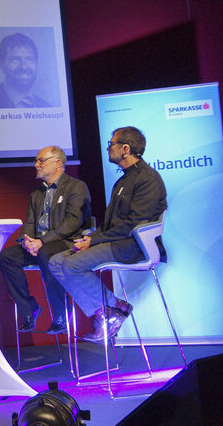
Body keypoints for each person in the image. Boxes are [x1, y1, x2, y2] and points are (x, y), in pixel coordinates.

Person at [49, 126, 167, 341]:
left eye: (111, 144)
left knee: (72, 265)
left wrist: (93, 240)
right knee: (56, 262)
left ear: (125, 149)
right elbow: (111, 223)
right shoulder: (123, 180)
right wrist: (89, 239)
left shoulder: (147, 179)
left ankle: (113, 310)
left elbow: (133, 224)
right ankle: (111, 309)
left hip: (133, 245)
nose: (107, 148)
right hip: (116, 240)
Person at [0, 146, 91, 334]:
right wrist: (27, 241)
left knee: (46, 253)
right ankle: (29, 308)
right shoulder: (36, 194)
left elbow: (72, 222)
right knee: (7, 257)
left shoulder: (76, 187)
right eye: (36, 161)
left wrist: (42, 242)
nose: (36, 164)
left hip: (66, 242)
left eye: (41, 160)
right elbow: (30, 222)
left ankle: (60, 314)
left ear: (57, 163)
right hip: (39, 246)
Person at [0, 33, 52, 108]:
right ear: (1, 64)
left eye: (30, 60)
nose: (23, 67)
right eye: (15, 60)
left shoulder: (47, 107)